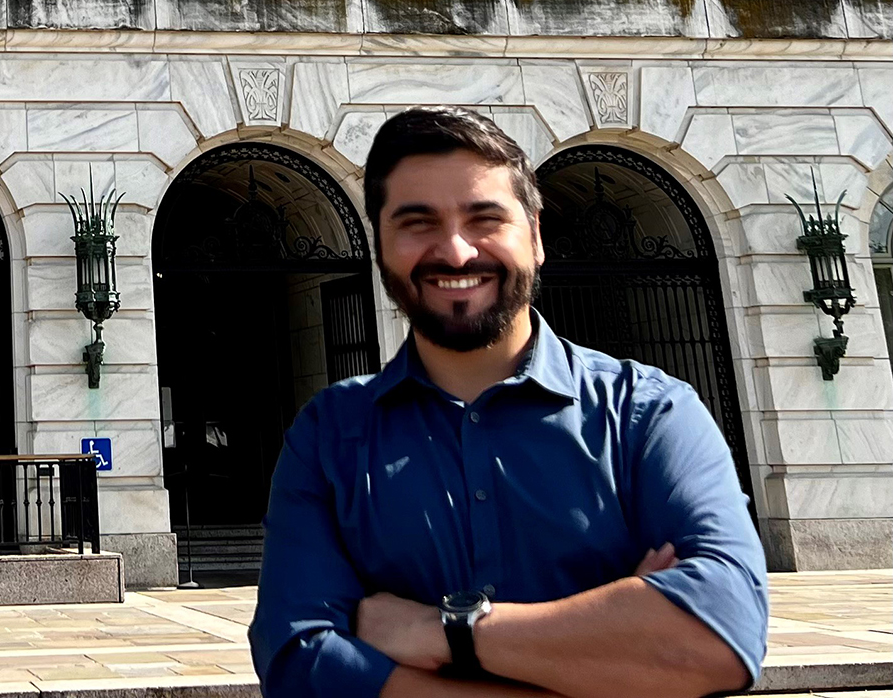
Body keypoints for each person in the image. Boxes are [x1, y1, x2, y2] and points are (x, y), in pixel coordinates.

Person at [250, 108, 768, 698]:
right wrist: (615, 653)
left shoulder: (647, 414)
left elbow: (720, 637)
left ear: (536, 234)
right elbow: (298, 665)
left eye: (485, 218)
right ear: (381, 248)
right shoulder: (329, 434)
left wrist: (438, 631)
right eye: (417, 222)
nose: (456, 251)